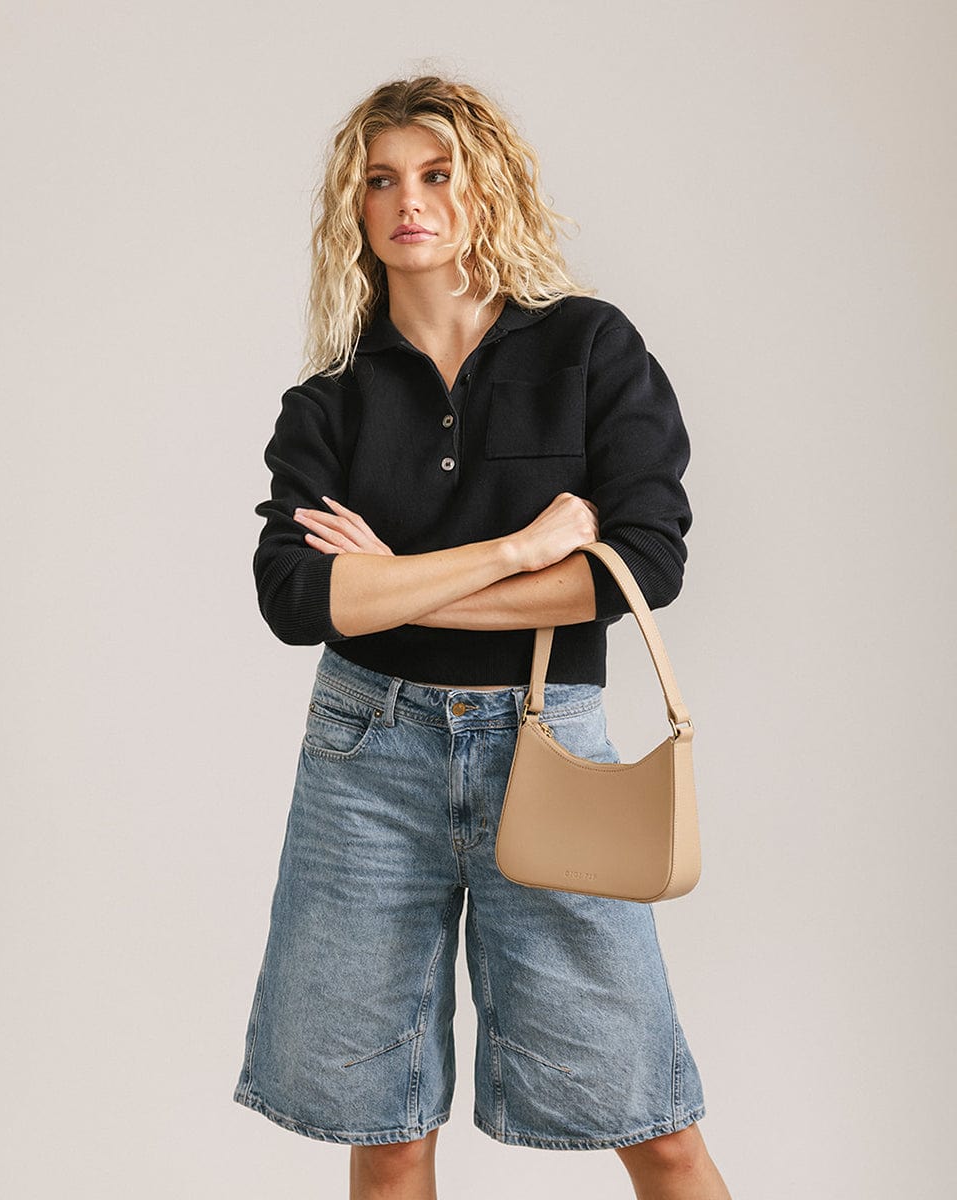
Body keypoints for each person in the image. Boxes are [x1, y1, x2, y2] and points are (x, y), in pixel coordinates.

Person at [233, 74, 732, 1200]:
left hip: (547, 746)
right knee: (388, 1133)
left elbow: (639, 566)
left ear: (486, 188)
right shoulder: (331, 399)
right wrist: (513, 553)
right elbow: (295, 599)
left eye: (437, 173)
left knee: (651, 1121)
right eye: (381, 180)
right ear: (355, 207)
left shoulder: (589, 349)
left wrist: (391, 584)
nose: (409, 201)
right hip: (367, 759)